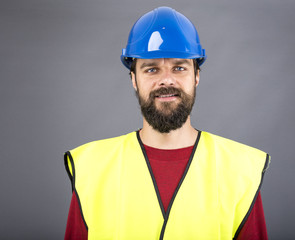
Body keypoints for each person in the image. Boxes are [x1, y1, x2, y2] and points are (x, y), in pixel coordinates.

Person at [64, 6, 270, 240]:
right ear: (134, 79)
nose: (166, 80)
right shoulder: (92, 167)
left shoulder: (240, 169)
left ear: (196, 76)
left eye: (179, 68)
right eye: (151, 69)